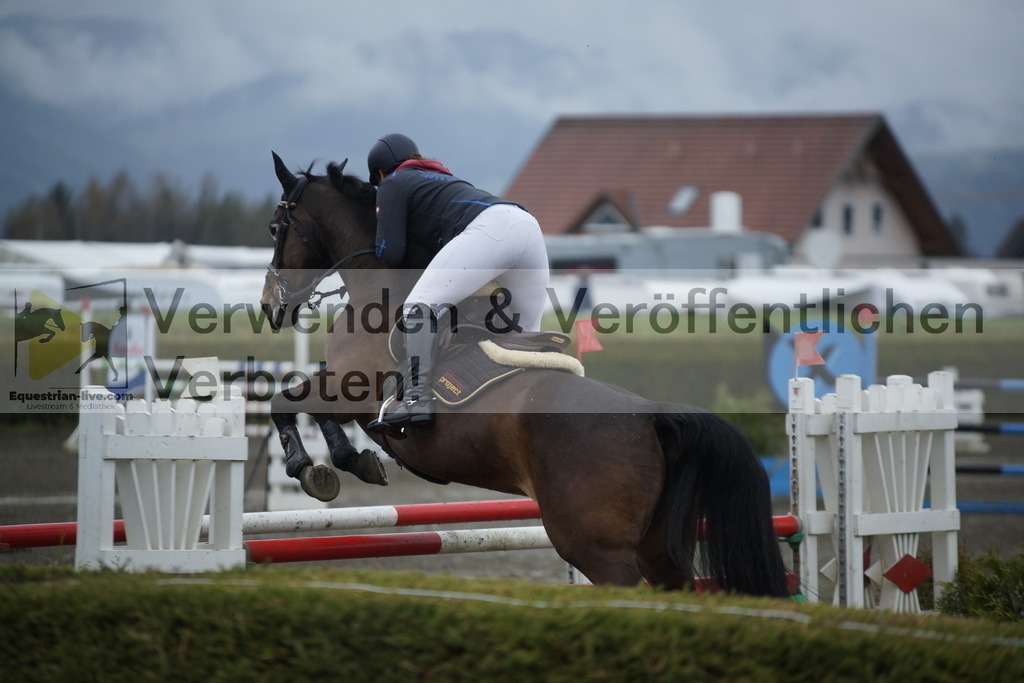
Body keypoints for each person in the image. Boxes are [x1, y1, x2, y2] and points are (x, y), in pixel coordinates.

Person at [365, 133, 550, 434]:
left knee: (420, 306)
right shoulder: (442, 177)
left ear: (380, 172)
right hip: (527, 226)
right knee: (526, 335)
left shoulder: (392, 182)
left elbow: (391, 252)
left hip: (492, 229)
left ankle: (416, 399)